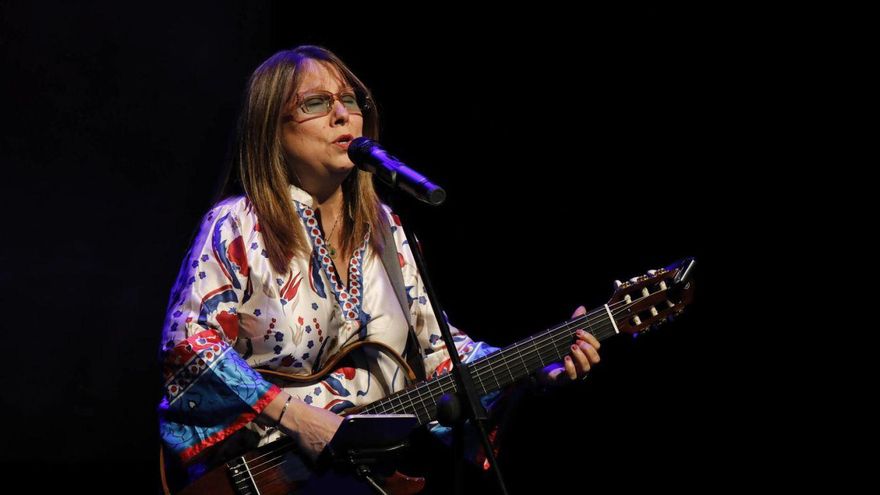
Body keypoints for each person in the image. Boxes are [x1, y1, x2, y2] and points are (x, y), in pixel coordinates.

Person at [158, 45, 601, 492]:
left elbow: (439, 354)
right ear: (269, 128)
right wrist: (299, 418)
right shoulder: (238, 223)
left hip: (360, 480)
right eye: (316, 103)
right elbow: (189, 344)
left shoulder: (386, 229)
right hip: (252, 472)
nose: (342, 115)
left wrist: (539, 365)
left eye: (350, 101)